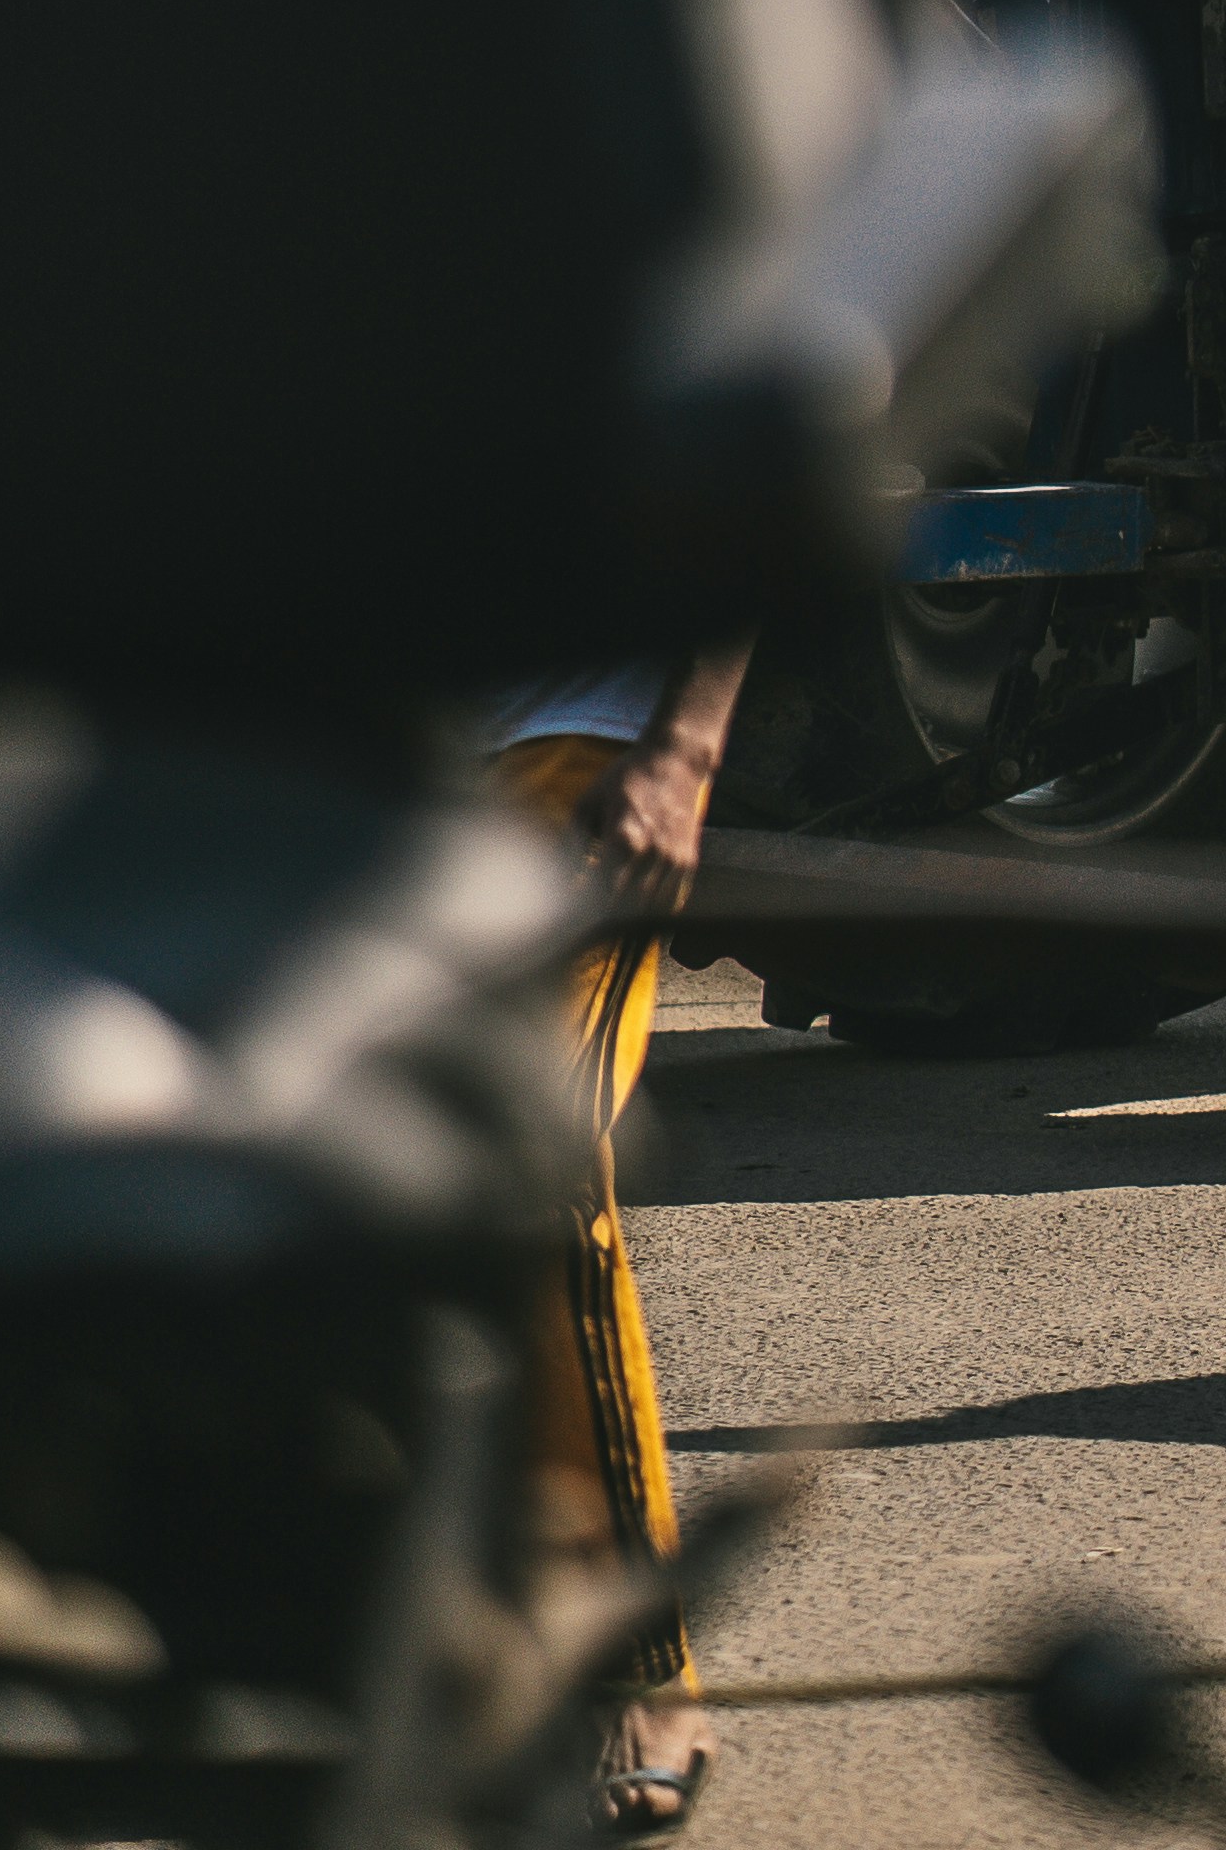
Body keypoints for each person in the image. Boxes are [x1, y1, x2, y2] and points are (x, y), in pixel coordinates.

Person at [489, 651, 749, 1835]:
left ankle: (640, 1672)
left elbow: (748, 497)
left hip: (575, 749)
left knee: (538, 1177)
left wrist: (682, 753)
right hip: (363, 760)